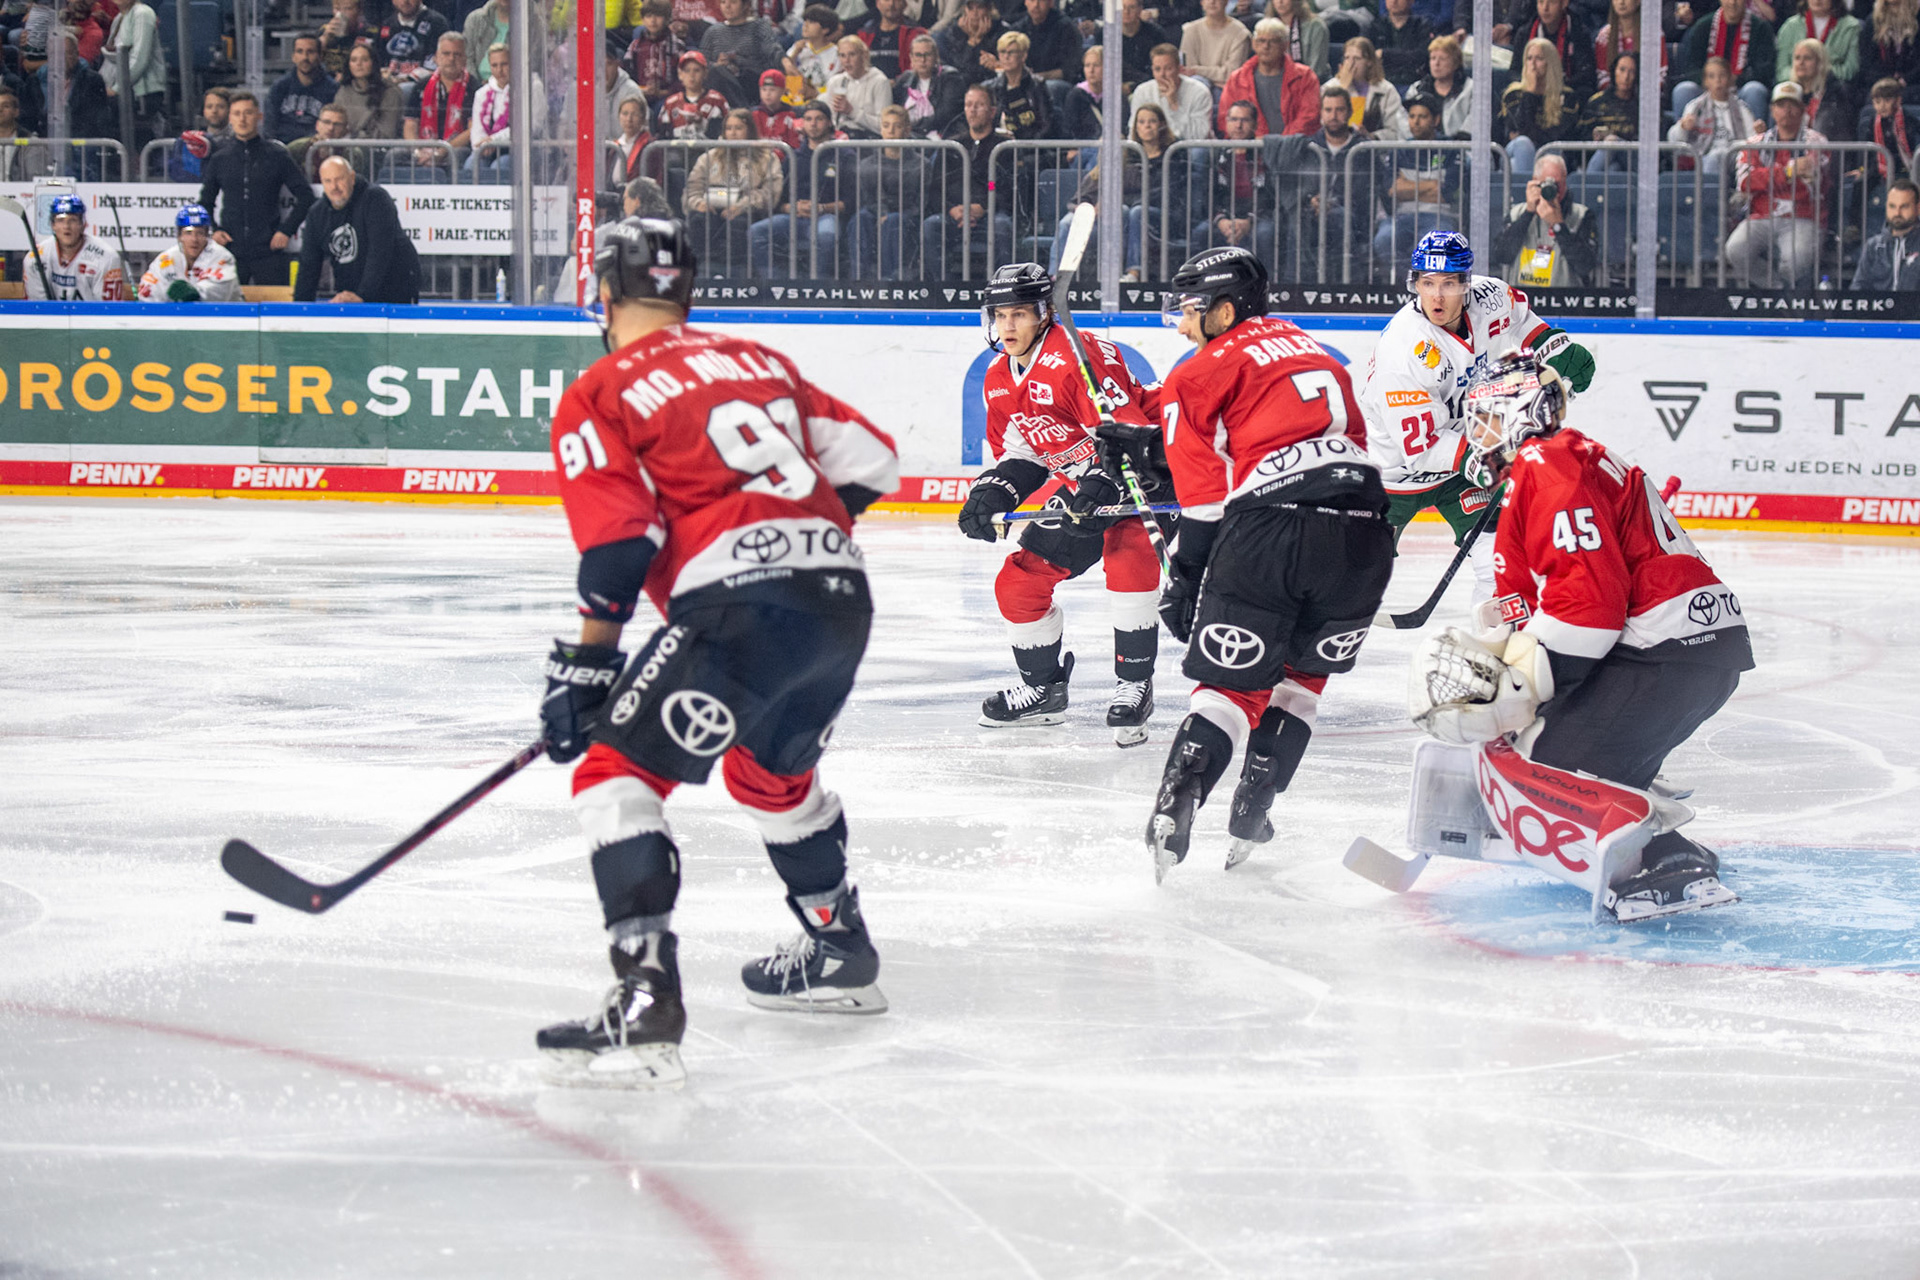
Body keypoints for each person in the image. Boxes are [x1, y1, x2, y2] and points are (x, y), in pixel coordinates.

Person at [534, 215, 899, 1087]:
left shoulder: (603, 390)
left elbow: (620, 544)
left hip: (742, 607)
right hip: (840, 602)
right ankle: (838, 947)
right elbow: (876, 462)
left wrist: (587, 669)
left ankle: (645, 993)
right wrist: (798, 535)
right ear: (685, 291)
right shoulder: (757, 361)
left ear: (606, 295)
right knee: (767, 778)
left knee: (614, 779)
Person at [1407, 355, 1749, 921]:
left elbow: (1590, 607)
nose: (1478, 435)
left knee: (1546, 760)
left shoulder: (1548, 462)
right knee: (1550, 743)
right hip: (1682, 650)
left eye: (1488, 418)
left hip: (1665, 653)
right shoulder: (1553, 465)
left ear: (1524, 414)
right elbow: (1564, 594)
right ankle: (1655, 837)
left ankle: (1668, 862)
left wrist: (1526, 683)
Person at [1141, 246, 1392, 877]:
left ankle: (1180, 798)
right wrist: (1154, 444)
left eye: (1191, 310)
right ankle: (1255, 804)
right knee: (1301, 683)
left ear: (1225, 311)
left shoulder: (1194, 373)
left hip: (1271, 530)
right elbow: (1283, 426)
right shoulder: (1312, 350)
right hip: (1364, 534)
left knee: (1230, 686)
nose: (1179, 323)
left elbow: (1202, 502)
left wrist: (1186, 576)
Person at [955, 262, 1170, 746]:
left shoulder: (1079, 357)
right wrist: (994, 490)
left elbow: (1127, 437)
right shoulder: (996, 377)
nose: (1007, 326)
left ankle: (1135, 683)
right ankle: (1043, 691)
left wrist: (1100, 483)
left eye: (1019, 314)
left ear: (1045, 313)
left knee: (1128, 561)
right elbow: (1024, 450)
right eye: (1000, 315)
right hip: (1085, 482)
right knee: (1019, 582)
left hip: (1149, 475)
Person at [1360, 230, 1595, 604]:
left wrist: (1554, 346)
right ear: (1415, 284)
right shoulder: (1403, 352)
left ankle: (1493, 646)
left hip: (1458, 468)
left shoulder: (1490, 296)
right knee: (1354, 576)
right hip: (1392, 473)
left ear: (1466, 283)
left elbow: (1520, 320)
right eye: (1428, 283)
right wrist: (1495, 462)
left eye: (1449, 283)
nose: (1437, 296)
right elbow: (1423, 448)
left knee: (1502, 565)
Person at [198, 90, 314, 285]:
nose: (242, 119)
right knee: (228, 311)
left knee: (276, 311)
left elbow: (306, 196)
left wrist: (286, 230)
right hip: (230, 249)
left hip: (269, 249)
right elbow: (205, 201)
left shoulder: (277, 155)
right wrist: (214, 230)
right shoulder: (220, 158)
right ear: (230, 118)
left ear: (259, 117)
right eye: (237, 113)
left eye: (248, 113)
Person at [1725, 81, 1828, 288]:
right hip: (1762, 216)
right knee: (1735, 249)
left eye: (1792, 105)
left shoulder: (1816, 141)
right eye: (1781, 105)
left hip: (1803, 217)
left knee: (1794, 261)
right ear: (1772, 109)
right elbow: (1746, 182)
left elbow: (1810, 186)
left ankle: (1788, 301)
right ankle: (1776, 291)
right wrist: (1790, 172)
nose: (1786, 111)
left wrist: (1765, 179)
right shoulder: (1755, 142)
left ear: (1802, 109)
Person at [296, 156, 422, 303]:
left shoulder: (376, 199)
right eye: (328, 181)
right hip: (352, 294)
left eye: (339, 179)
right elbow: (308, 266)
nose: (334, 187)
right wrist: (300, 307)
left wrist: (363, 296)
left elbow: (379, 253)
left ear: (352, 178)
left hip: (395, 289)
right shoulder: (317, 213)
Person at [682, 106, 785, 272]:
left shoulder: (766, 157)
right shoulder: (709, 157)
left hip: (748, 209)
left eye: (738, 128)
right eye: (729, 128)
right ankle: (702, 272)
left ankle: (737, 275)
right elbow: (693, 188)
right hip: (713, 206)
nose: (733, 133)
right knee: (698, 219)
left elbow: (771, 190)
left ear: (749, 130)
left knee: (738, 223)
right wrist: (698, 203)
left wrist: (743, 205)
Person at [922, 82, 1013, 269]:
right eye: (968, 105)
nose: (972, 110)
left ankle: (1001, 290)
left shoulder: (1004, 147)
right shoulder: (952, 146)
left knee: (1002, 226)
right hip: (954, 215)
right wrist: (951, 209)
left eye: (979, 105)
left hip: (990, 215)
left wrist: (983, 207)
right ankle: (942, 290)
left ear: (992, 111)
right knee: (931, 225)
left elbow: (1001, 187)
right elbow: (937, 188)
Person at [750, 98, 849, 271]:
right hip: (794, 217)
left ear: (829, 123)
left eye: (819, 119)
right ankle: (775, 286)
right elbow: (778, 199)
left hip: (826, 216)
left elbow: (850, 201)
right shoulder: (793, 156)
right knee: (756, 232)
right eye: (808, 119)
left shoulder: (844, 155)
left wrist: (821, 208)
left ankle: (820, 288)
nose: (813, 124)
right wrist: (792, 208)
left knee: (826, 235)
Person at [1370, 92, 1459, 275]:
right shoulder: (1400, 149)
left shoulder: (1450, 148)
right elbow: (1393, 190)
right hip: (1402, 215)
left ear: (1435, 120)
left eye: (1422, 117)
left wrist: (1407, 186)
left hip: (1439, 216)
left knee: (1436, 245)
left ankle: (1428, 287)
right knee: (1384, 240)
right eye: (1412, 116)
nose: (1415, 122)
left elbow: (1445, 193)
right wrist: (1431, 185)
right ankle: (1408, 285)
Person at [1493, 150, 1597, 285]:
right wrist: (1528, 213)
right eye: (1546, 184)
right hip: (1524, 298)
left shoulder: (1581, 215)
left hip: (1566, 298)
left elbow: (1585, 265)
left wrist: (1559, 225)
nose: (1554, 191)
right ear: (1535, 182)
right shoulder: (1517, 213)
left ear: (1565, 182)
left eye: (1558, 184)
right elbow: (1502, 255)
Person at [398, 32, 482, 181]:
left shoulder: (474, 88)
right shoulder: (421, 85)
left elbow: (472, 129)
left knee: (458, 156)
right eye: (446, 54)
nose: (451, 59)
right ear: (436, 58)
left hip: (455, 149)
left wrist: (443, 151)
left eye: (457, 54)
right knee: (395, 156)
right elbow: (410, 124)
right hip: (423, 147)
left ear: (464, 59)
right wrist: (418, 150)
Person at [1218, 17, 1321, 136]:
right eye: (1261, 41)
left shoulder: (1305, 77)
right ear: (1254, 44)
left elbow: (1309, 116)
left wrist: (1280, 143)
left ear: (1285, 45)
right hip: (1251, 149)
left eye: (1273, 41)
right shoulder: (1237, 79)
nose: (1266, 46)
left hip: (1294, 147)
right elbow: (1225, 119)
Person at [1674, 0, 1774, 121]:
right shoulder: (1702, 26)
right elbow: (1691, 67)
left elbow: (1764, 70)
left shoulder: (1761, 28)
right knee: (1684, 90)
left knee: (1755, 90)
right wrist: (1712, 80)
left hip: (1741, 87)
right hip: (1707, 88)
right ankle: (1683, 135)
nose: (1732, 3)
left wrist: (1734, 80)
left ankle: (1756, 137)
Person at [25, 192, 126, 300]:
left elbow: (107, 311)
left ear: (83, 224)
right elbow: (38, 310)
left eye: (72, 220)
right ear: (52, 225)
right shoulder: (35, 259)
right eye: (60, 220)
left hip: (91, 316)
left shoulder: (106, 257)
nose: (66, 226)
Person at [1666, 54, 1754, 174]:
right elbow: (1673, 140)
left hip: (1734, 157)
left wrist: (1758, 133)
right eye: (1711, 76)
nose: (1717, 81)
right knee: (1714, 157)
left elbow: (1752, 139)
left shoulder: (1741, 108)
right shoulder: (1695, 107)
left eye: (1722, 75)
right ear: (1706, 81)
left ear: (1729, 79)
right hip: (1704, 156)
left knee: (1723, 155)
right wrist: (1683, 127)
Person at [137, 202, 241, 302]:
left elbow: (220, 292)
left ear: (207, 235)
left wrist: (196, 292)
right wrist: (166, 293)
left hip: (224, 317)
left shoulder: (222, 257)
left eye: (200, 233)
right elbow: (148, 292)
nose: (194, 239)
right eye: (188, 233)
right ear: (179, 236)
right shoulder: (167, 259)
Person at [1325, 35, 1406, 139]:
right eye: (1347, 58)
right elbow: (1323, 124)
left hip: (1374, 150)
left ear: (1369, 62)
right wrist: (1342, 88)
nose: (1351, 64)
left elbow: (1395, 130)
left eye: (1357, 58)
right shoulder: (1329, 87)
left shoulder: (1386, 90)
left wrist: (1370, 136)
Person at [1130, 42, 1215, 139]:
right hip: (1154, 145)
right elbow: (1133, 130)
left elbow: (1199, 135)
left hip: (1188, 146)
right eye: (1157, 69)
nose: (1162, 74)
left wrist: (1174, 105)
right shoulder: (1142, 91)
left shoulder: (1199, 92)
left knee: (1198, 151)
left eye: (1168, 69)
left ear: (1179, 69)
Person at [269, 34, 340, 144]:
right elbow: (269, 127)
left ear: (321, 56)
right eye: (300, 51)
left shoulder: (333, 89)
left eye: (310, 52)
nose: (305, 57)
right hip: (284, 149)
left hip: (319, 148)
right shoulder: (279, 87)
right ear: (293, 56)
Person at [1852, 176, 1920, 287]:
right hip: (1879, 304)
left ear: (1918, 208)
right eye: (1892, 206)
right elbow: (1858, 289)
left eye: (1904, 207)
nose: (1897, 213)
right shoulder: (1873, 246)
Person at [896, 30, 966, 135]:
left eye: (927, 55)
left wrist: (913, 127)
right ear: (911, 57)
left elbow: (945, 115)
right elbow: (896, 110)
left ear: (936, 56)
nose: (923, 60)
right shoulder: (905, 79)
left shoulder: (950, 77)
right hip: (910, 135)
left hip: (941, 135)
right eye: (918, 55)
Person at [1776, 0, 1861, 86]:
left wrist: (1818, 73)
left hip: (1832, 85)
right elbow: (1782, 70)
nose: (1817, 0)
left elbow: (1850, 70)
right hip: (1796, 84)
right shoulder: (1790, 26)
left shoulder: (1851, 27)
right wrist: (1802, 76)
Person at [986, 28, 1052, 135]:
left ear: (1023, 56)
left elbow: (1045, 124)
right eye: (1002, 52)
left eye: (1011, 52)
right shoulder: (991, 87)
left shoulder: (1036, 85)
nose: (1006, 57)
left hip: (1030, 146)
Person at [823, 32, 892, 134]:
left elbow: (884, 125)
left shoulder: (880, 81)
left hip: (868, 140)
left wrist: (851, 111)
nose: (847, 60)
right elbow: (829, 119)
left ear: (863, 55)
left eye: (852, 54)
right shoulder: (835, 82)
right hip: (840, 139)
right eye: (842, 55)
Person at [704, 0, 787, 83]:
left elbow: (772, 51)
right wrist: (717, 65)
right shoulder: (713, 32)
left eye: (733, 2)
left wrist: (786, 62)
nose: (727, 6)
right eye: (723, 2)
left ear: (745, 5)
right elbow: (701, 63)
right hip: (722, 83)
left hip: (752, 82)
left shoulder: (759, 27)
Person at [335, 42, 405, 137]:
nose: (358, 64)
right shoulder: (343, 91)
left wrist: (354, 136)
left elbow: (387, 134)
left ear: (373, 63)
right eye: (354, 60)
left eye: (364, 60)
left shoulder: (390, 92)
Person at [1789, 37, 1853, 141]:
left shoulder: (1836, 91)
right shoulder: (1790, 92)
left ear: (1820, 62)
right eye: (1797, 58)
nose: (1801, 63)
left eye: (1807, 58)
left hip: (1825, 150)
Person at [1411, 32, 1471, 138]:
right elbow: (1404, 121)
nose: (1436, 64)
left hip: (1460, 149)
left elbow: (1473, 124)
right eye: (1433, 58)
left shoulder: (1471, 89)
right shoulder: (1416, 89)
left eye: (1442, 59)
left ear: (1456, 63)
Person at [291, 102, 371, 180]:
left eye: (337, 124)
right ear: (317, 125)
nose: (331, 128)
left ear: (345, 129)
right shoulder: (297, 148)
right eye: (326, 122)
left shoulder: (352, 154)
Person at [374, 0, 450, 83]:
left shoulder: (437, 23)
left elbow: (436, 65)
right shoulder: (387, 25)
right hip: (390, 84)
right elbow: (378, 60)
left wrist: (407, 79)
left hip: (422, 84)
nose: (404, 1)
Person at [659, 48, 729, 138]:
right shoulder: (670, 103)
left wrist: (702, 123)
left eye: (696, 70)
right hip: (678, 151)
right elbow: (664, 136)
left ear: (705, 73)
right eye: (687, 70)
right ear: (680, 75)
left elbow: (723, 133)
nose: (691, 75)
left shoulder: (717, 100)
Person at [1858, 0, 1920, 98]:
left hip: (1913, 84)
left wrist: (1906, 79)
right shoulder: (1873, 22)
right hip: (1880, 84)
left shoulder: (1917, 19)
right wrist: (1887, 80)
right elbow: (1866, 64)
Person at [1182, 0, 1253, 85]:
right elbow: (1188, 70)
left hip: (1226, 87)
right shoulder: (1190, 30)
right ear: (1202, 2)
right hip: (1198, 85)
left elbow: (1231, 73)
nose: (1212, 1)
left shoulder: (1240, 34)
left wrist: (1197, 70)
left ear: (1226, 2)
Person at [938, 0, 1008, 86]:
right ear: (964, 10)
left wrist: (980, 42)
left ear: (989, 9)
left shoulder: (1002, 33)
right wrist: (971, 43)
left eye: (980, 7)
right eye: (970, 8)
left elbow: (991, 69)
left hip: (992, 84)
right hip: (959, 86)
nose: (975, 13)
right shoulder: (952, 34)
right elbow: (959, 67)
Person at [855, 0, 925, 80]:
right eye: (886, 0)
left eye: (896, 0)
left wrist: (897, 83)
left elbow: (920, 69)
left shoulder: (916, 33)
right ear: (878, 4)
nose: (891, 4)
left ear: (905, 4)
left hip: (902, 88)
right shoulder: (864, 34)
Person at [1010, 0, 1080, 80]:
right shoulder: (1018, 29)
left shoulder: (1066, 28)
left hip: (1057, 83)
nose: (1036, 5)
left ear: (1050, 3)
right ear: (1025, 2)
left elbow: (1070, 70)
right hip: (1026, 81)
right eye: (1032, 0)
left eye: (1041, 1)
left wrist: (1036, 78)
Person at [786, 3, 845, 98]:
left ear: (825, 29)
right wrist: (795, 53)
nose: (805, 25)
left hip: (821, 100)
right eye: (805, 20)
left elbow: (833, 85)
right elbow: (784, 70)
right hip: (794, 98)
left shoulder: (836, 54)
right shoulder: (797, 47)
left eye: (811, 22)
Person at [1375, 0, 1436, 85]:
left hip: (1414, 82)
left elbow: (1420, 56)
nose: (1394, 1)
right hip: (1381, 81)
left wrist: (1385, 54)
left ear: (1411, 1)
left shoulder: (1421, 26)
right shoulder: (1376, 26)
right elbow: (1370, 56)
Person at [319, 0, 370, 80]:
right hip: (328, 81)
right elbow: (313, 60)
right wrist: (325, 38)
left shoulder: (367, 33)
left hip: (356, 81)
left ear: (359, 11)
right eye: (337, 9)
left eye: (348, 9)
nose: (341, 13)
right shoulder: (324, 31)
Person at [755, 66, 804, 144]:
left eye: (772, 90)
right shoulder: (753, 115)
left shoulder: (793, 114)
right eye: (764, 89)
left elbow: (795, 143)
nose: (767, 94)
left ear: (782, 91)